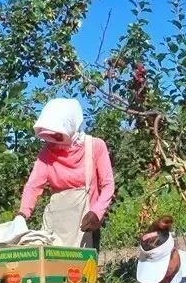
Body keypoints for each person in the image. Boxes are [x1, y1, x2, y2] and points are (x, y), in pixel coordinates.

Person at [18, 98, 114, 249]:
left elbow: (108, 185)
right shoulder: (47, 152)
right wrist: (22, 214)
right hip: (56, 223)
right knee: (53, 268)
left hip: (87, 222)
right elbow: (33, 185)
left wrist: (97, 213)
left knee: (82, 270)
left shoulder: (95, 146)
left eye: (57, 135)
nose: (53, 140)